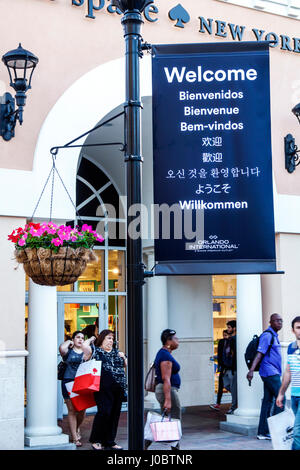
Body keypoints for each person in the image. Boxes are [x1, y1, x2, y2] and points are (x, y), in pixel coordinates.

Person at [82, 329, 127, 450]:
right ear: (101, 339)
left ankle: (110, 441)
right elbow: (84, 346)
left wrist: (124, 358)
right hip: (102, 388)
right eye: (108, 338)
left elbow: (126, 366)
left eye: (112, 338)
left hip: (118, 388)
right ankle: (96, 440)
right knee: (104, 412)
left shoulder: (117, 353)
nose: (111, 341)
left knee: (114, 414)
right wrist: (92, 339)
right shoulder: (96, 351)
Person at [247, 313, 284, 440]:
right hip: (269, 373)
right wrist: (251, 370)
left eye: (281, 321)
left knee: (267, 402)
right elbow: (259, 354)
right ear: (271, 322)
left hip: (272, 372)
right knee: (281, 399)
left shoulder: (274, 336)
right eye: (277, 321)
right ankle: (275, 430)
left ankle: (263, 432)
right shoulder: (267, 335)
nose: (279, 323)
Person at [145, 328, 181, 450]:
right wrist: (168, 399)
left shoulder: (164, 353)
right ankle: (175, 450)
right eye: (175, 338)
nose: (178, 340)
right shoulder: (165, 355)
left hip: (167, 390)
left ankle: (146, 442)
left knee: (167, 419)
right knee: (174, 420)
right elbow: (166, 378)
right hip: (168, 390)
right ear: (168, 341)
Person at [59, 330, 89, 447]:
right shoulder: (68, 351)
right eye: (78, 337)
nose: (80, 339)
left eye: (82, 338)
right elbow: (61, 348)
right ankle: (75, 438)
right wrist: (69, 341)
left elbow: (90, 350)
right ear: (73, 339)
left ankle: (76, 428)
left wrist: (90, 340)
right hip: (68, 381)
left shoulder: (86, 351)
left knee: (82, 411)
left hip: (82, 382)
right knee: (72, 411)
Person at [276, 316, 300, 450]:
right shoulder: (291, 348)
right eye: (298, 328)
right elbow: (288, 373)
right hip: (295, 396)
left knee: (297, 433)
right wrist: (281, 393)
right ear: (293, 330)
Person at [210, 329, 229, 411]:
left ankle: (218, 403)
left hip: (227, 367)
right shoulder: (222, 342)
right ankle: (218, 403)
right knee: (221, 385)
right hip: (224, 367)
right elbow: (220, 354)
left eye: (226, 335)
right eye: (224, 335)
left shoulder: (228, 342)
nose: (225, 337)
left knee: (227, 385)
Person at [222, 320, 237, 414]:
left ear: (234, 328)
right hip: (227, 367)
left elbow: (234, 354)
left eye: (229, 327)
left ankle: (234, 406)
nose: (228, 329)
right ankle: (237, 400)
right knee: (227, 385)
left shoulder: (235, 339)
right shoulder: (230, 339)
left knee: (233, 387)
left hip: (233, 368)